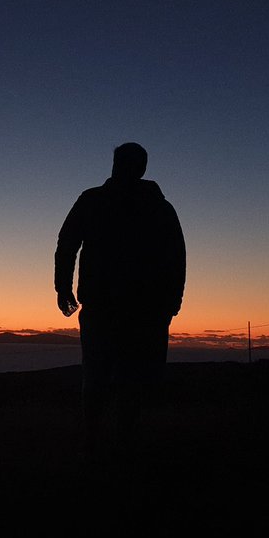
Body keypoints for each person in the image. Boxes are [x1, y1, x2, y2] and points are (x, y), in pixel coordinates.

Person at [54, 142, 186, 459]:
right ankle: (110, 441)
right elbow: (177, 257)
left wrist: (63, 288)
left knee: (107, 375)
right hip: (132, 310)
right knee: (122, 377)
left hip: (128, 309)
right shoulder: (156, 207)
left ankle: (102, 441)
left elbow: (67, 243)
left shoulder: (97, 201)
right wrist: (172, 302)